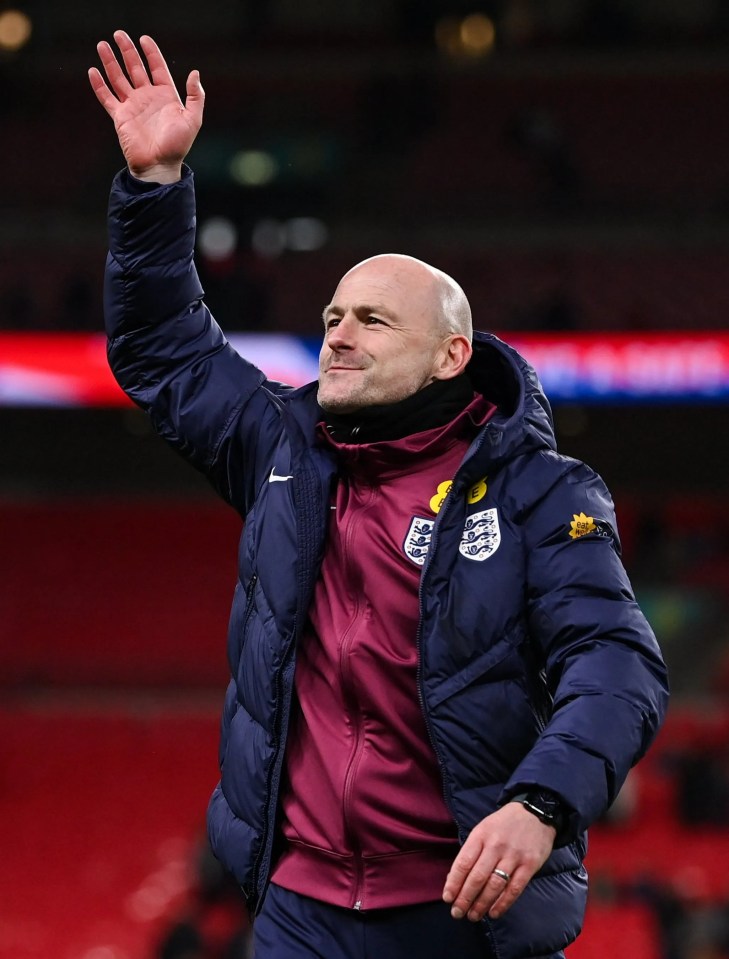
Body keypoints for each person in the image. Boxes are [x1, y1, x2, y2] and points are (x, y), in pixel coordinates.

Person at [89, 32, 669, 959]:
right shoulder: (283, 444)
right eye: (330, 317)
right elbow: (165, 352)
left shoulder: (537, 491)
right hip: (298, 909)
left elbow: (615, 663)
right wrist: (155, 189)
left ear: (449, 353)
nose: (339, 334)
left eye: (370, 318)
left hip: (464, 912)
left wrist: (541, 802)